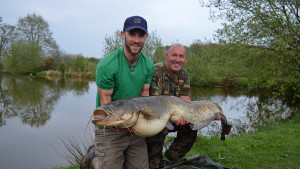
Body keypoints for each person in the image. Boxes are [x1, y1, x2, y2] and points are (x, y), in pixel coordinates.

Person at [80, 15, 154, 169]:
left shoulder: (148, 64)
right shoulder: (107, 65)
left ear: (146, 37)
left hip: (134, 126)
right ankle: (93, 159)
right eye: (132, 34)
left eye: (141, 35)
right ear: (123, 34)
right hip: (110, 127)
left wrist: (139, 123)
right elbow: (105, 102)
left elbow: (144, 96)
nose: (136, 40)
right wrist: (124, 124)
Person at [146, 44, 221, 169]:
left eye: (181, 56)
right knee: (159, 127)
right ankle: (154, 161)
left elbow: (186, 101)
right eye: (174, 55)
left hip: (176, 113)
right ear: (166, 56)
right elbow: (155, 103)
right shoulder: (156, 71)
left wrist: (187, 116)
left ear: (185, 60)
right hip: (157, 115)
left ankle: (173, 156)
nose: (177, 59)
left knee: (191, 126)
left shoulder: (184, 75)